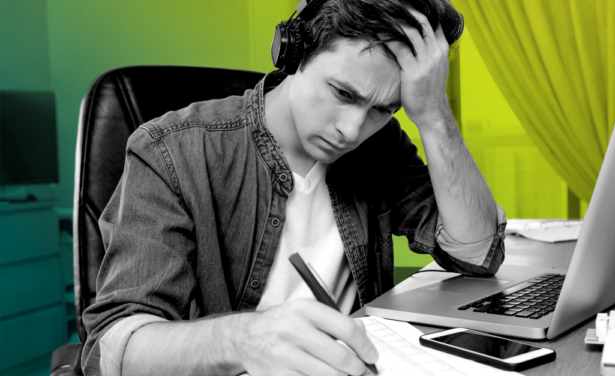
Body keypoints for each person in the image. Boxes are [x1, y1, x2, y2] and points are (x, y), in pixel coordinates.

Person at [81, 0, 507, 375]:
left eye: (382, 110)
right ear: (295, 51)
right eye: (343, 93)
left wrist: (433, 114)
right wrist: (244, 340)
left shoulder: (380, 146)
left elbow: (477, 250)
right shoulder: (172, 151)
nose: (352, 129)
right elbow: (116, 348)